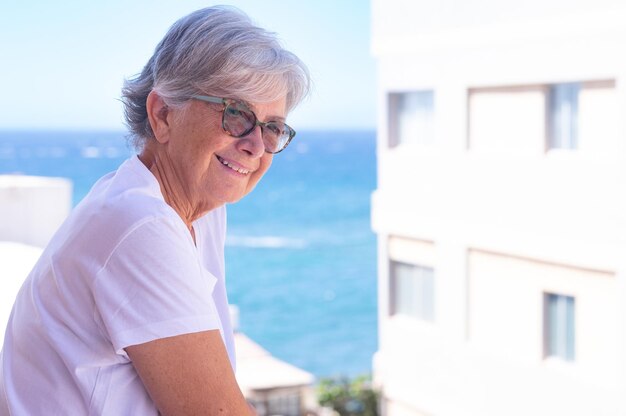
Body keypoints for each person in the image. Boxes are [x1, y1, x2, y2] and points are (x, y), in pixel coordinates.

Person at [0, 5, 310, 415]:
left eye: (272, 128)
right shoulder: (139, 224)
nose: (255, 145)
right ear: (162, 114)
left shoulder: (198, 208)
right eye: (236, 115)